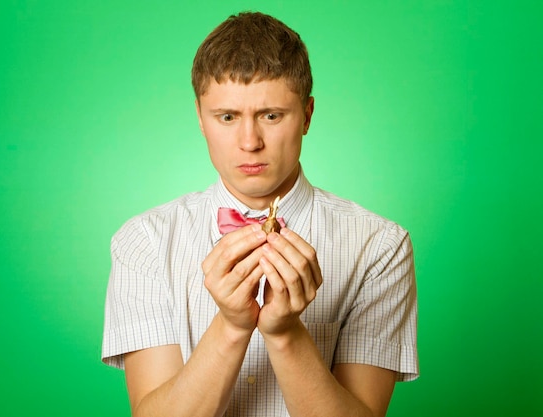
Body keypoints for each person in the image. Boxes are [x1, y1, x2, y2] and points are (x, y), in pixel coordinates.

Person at [102, 11, 418, 417]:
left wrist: (285, 334)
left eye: (271, 115)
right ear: (201, 118)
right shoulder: (143, 242)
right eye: (228, 117)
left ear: (306, 115)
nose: (249, 142)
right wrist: (232, 326)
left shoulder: (380, 247)